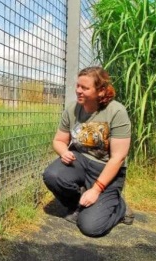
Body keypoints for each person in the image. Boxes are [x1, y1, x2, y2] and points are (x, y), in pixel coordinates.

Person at [42, 66, 134, 237]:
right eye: (78, 86)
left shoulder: (116, 111)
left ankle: (119, 207)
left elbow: (118, 157)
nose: (78, 91)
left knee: (90, 227)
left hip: (106, 169)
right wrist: (63, 152)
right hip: (80, 161)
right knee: (52, 175)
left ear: (100, 91)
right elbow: (59, 141)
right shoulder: (72, 109)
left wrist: (97, 189)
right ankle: (78, 205)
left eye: (85, 88)